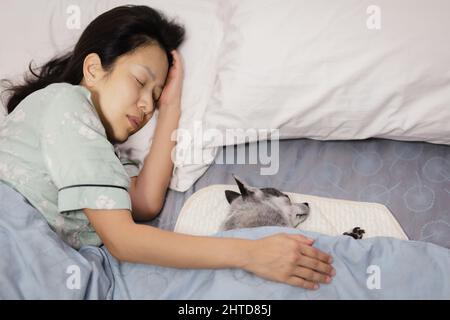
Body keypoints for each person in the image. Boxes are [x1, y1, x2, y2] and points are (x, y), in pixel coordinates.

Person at [0, 5, 335, 290]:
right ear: (93, 69)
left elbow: (144, 202)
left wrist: (170, 109)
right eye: (140, 82)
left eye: (155, 96)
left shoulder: (101, 151)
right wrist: (249, 252)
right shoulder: (66, 104)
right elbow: (123, 239)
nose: (147, 105)